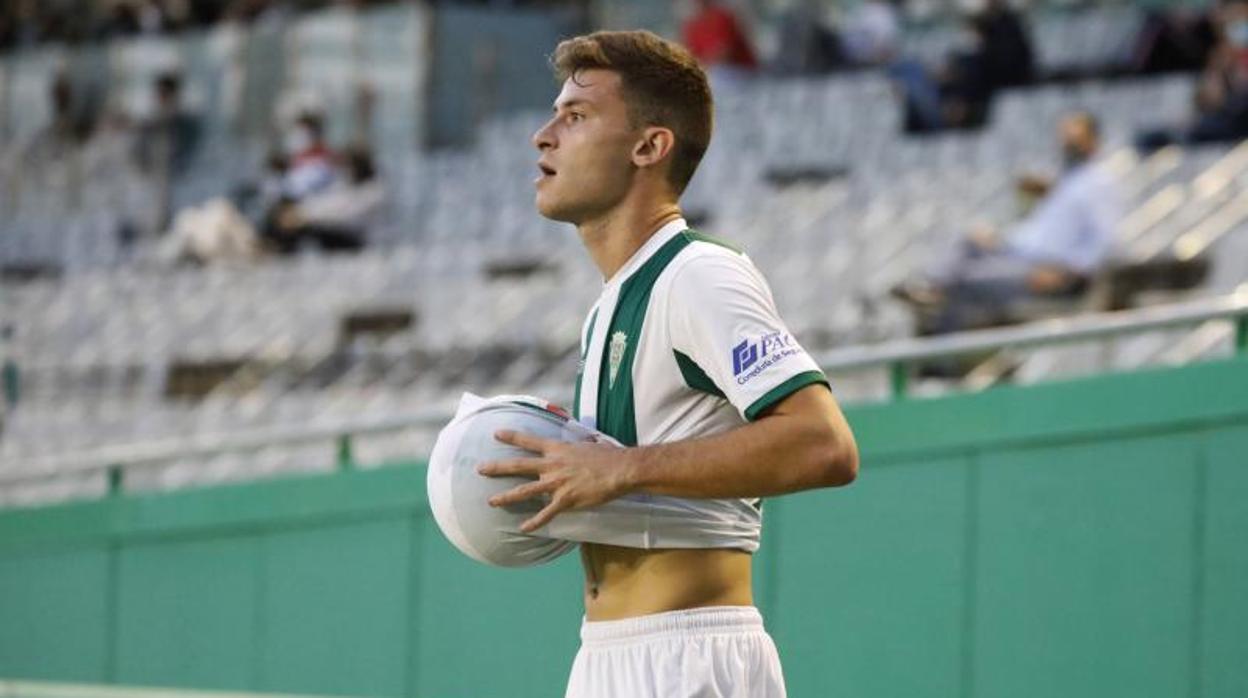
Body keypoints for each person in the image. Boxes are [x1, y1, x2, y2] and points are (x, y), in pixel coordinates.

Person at [477, 30, 859, 698]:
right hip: (607, 657)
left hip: (688, 658)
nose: (543, 135)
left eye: (575, 116)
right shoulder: (610, 304)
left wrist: (621, 468)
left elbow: (825, 444)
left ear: (650, 146)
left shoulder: (698, 275)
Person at [894, 112, 1121, 334]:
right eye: (1065, 138)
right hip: (1020, 256)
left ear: (1092, 140)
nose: (1067, 145)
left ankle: (947, 358)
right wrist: (1000, 239)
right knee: (968, 240)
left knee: (964, 281)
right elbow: (1046, 231)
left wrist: (1068, 273)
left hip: (1050, 272)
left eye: (1075, 139)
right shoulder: (1068, 180)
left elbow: (1104, 239)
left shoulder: (1098, 182)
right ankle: (929, 285)